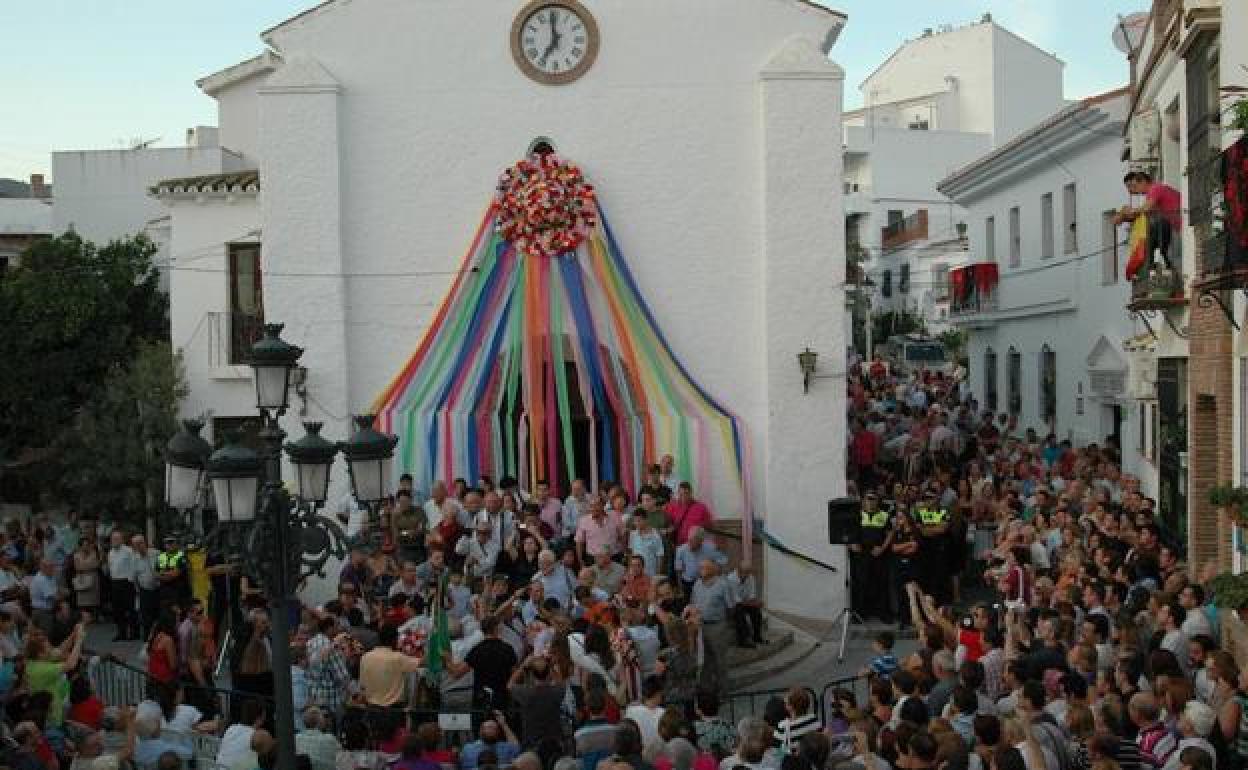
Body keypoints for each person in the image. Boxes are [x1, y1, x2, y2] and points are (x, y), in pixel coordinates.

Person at [691, 559, 736, 696]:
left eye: (704, 567)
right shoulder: (697, 584)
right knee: (705, 662)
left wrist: (724, 624)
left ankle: (723, 692)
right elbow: (693, 603)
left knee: (720, 662)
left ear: (713, 569)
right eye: (700, 567)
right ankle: (706, 691)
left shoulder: (723, 585)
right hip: (700, 626)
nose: (701, 570)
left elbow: (731, 607)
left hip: (717, 627)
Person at [106, 531, 138, 641]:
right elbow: (111, 567)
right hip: (115, 582)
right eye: (113, 539)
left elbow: (134, 566)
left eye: (117, 539)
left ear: (122, 540)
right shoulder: (110, 553)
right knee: (118, 610)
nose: (114, 541)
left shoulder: (128, 551)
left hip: (127, 582)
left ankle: (134, 633)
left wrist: (131, 580)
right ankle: (121, 633)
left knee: (130, 609)